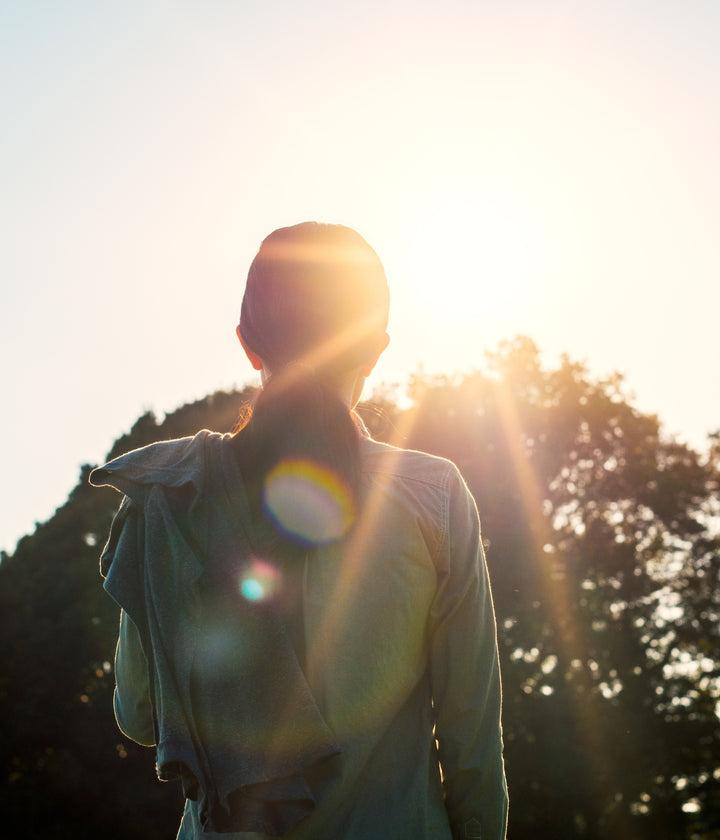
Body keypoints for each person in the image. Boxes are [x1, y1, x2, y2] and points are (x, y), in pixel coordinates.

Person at [91, 222, 508, 840]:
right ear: (376, 347)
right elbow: (471, 739)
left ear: (246, 344)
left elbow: (142, 714)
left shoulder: (170, 492)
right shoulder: (433, 493)